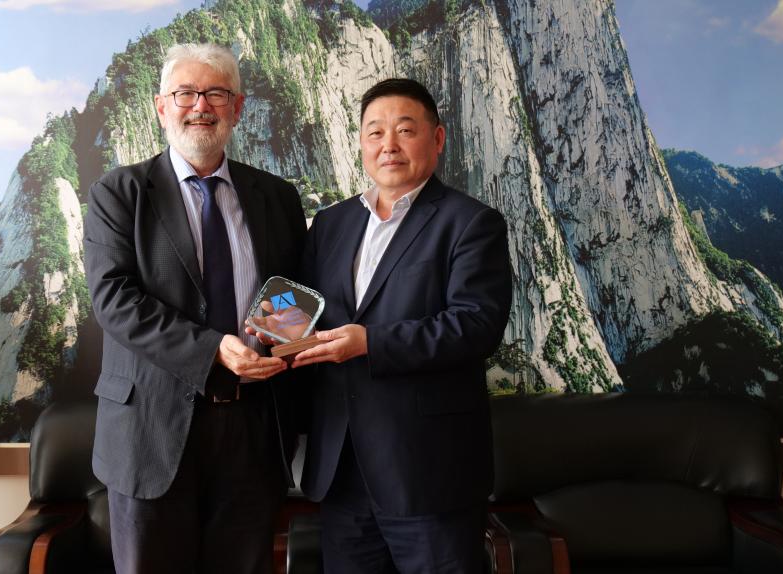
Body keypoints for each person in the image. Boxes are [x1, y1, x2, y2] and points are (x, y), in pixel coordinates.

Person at [83, 43, 307, 574]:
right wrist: (215, 350)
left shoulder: (277, 196)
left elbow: (294, 286)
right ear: (162, 107)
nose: (200, 106)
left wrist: (274, 342)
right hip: (149, 432)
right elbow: (115, 300)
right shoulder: (120, 193)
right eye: (185, 93)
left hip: (253, 427)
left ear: (237, 107)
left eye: (216, 93)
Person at [293, 78, 512, 573]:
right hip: (342, 470)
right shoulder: (331, 224)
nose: (388, 145)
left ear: (437, 138)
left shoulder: (471, 223)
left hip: (427, 473)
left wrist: (369, 343)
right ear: (361, 143)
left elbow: (477, 324)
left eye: (405, 130)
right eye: (375, 132)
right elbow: (303, 308)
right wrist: (261, 340)